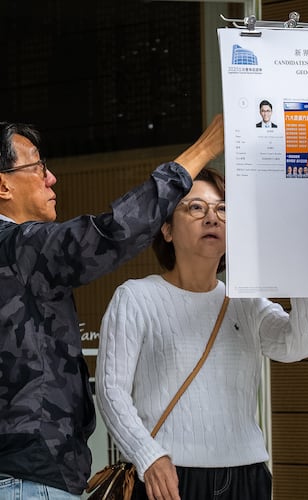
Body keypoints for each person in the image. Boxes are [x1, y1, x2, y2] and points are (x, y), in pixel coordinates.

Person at [0, 115, 224, 499]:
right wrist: (206, 147)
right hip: (30, 480)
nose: (51, 178)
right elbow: (112, 232)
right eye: (37, 167)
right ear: (4, 183)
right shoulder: (19, 247)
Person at [96, 167, 308, 500]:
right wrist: (148, 455)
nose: (212, 218)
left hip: (247, 475)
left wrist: (302, 272)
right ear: (167, 230)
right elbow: (109, 389)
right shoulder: (135, 298)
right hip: (168, 476)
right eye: (195, 208)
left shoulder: (246, 302)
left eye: (222, 209)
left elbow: (303, 343)